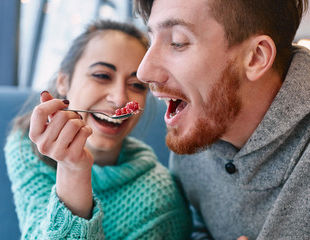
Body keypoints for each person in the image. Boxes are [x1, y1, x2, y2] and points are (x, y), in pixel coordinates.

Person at [133, 0, 310, 239]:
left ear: (256, 57)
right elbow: (198, 228)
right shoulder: (198, 131)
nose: (143, 72)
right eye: (151, 39)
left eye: (177, 42)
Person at [4, 19, 192, 239]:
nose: (120, 98)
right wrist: (72, 169)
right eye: (102, 76)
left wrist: (74, 170)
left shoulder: (159, 198)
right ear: (64, 81)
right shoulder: (26, 148)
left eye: (137, 85)